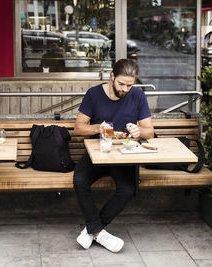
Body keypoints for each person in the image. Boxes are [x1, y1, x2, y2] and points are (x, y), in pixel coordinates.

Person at [73, 59, 154, 252]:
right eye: (121, 84)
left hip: (123, 153)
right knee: (79, 180)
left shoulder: (138, 95)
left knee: (128, 189)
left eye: (129, 85)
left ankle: (92, 230)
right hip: (98, 151)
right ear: (112, 77)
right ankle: (99, 233)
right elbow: (78, 128)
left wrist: (138, 132)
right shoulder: (94, 94)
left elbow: (149, 131)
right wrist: (96, 127)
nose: (125, 89)